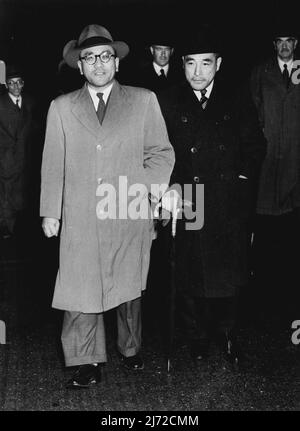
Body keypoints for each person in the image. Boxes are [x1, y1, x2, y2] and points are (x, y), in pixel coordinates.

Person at [40, 24, 175, 389]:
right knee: (80, 288)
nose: (98, 64)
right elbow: (53, 164)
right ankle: (87, 362)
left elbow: (160, 152)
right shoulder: (61, 108)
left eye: (105, 56)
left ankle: (130, 347)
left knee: (128, 286)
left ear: (116, 62)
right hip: (80, 214)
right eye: (89, 57)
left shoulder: (143, 100)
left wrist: (147, 193)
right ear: (79, 66)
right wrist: (50, 212)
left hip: (128, 209)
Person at [157, 29, 266, 363]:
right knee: (188, 272)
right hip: (189, 196)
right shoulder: (169, 100)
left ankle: (228, 333)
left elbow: (255, 144)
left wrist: (241, 178)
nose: (198, 72)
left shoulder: (236, 97)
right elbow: (162, 152)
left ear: (218, 64)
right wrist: (172, 185)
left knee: (228, 272)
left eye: (206, 63)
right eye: (191, 64)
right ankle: (196, 337)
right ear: (183, 65)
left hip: (226, 199)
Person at [250, 29, 300, 324]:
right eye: (279, 43)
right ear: (274, 46)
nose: (284, 48)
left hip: (295, 158)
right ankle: (263, 289)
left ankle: (288, 286)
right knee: (265, 221)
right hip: (268, 161)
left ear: (296, 44)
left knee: (292, 224)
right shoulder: (260, 72)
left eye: (289, 43)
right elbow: (253, 112)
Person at [0, 65, 36, 239]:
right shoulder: (0, 104)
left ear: (23, 84)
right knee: (6, 192)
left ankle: (19, 227)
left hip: (25, 157)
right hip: (5, 158)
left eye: (17, 83)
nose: (14, 87)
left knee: (22, 192)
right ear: (6, 85)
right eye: (10, 83)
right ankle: (6, 226)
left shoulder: (30, 102)